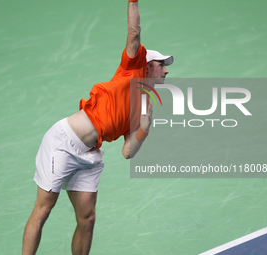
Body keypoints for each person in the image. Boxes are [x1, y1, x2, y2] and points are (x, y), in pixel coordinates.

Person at [22, 1, 173, 254]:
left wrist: (144, 129)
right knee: (44, 209)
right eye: (162, 64)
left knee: (87, 219)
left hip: (89, 155)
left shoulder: (145, 105)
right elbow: (134, 33)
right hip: (63, 143)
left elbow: (127, 152)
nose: (166, 70)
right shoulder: (131, 69)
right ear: (147, 65)